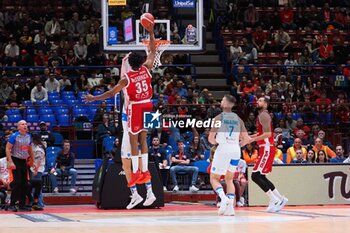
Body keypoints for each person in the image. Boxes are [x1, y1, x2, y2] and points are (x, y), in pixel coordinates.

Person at [84, 27, 157, 209]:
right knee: (144, 140)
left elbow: (110, 93)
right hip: (150, 106)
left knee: (132, 146)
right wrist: (151, 32)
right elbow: (153, 51)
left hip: (134, 110)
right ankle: (144, 190)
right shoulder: (147, 69)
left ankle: (142, 185)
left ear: (127, 64)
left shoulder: (126, 79)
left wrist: (94, 98)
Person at [208, 95, 250, 216]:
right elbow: (246, 139)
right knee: (229, 178)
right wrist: (237, 143)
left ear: (226, 103)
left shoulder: (218, 118)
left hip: (223, 149)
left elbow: (211, 139)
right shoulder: (238, 119)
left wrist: (217, 142)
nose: (220, 101)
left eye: (222, 100)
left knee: (214, 178)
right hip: (235, 150)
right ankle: (230, 207)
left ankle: (223, 198)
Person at [249, 97, 288, 213]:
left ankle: (274, 200)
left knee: (255, 176)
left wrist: (252, 139)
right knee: (261, 176)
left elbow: (267, 134)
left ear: (265, 104)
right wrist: (250, 136)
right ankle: (280, 198)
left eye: (260, 101)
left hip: (266, 148)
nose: (257, 102)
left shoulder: (264, 115)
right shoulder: (262, 115)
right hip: (265, 148)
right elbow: (261, 133)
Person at [6, 120, 34, 212]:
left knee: (24, 184)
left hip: (24, 161)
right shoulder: (14, 136)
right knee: (17, 183)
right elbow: (7, 148)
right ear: (18, 127)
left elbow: (30, 150)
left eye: (26, 124)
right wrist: (10, 161)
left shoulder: (29, 136)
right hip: (15, 160)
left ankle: (22, 205)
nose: (25, 125)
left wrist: (32, 160)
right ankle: (12, 204)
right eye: (23, 124)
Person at [28, 133, 45, 210]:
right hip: (32, 168)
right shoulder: (33, 146)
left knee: (36, 184)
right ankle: (35, 202)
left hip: (37, 169)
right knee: (34, 185)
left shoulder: (39, 149)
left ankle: (37, 203)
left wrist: (36, 170)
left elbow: (38, 161)